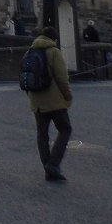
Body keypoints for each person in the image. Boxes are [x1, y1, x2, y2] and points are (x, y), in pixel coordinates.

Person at [25, 26, 73, 182]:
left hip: (36, 101)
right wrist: (68, 96)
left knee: (42, 135)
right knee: (65, 129)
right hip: (55, 101)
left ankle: (48, 170)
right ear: (54, 39)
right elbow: (62, 78)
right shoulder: (54, 52)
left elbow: (25, 76)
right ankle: (53, 164)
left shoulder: (30, 52)